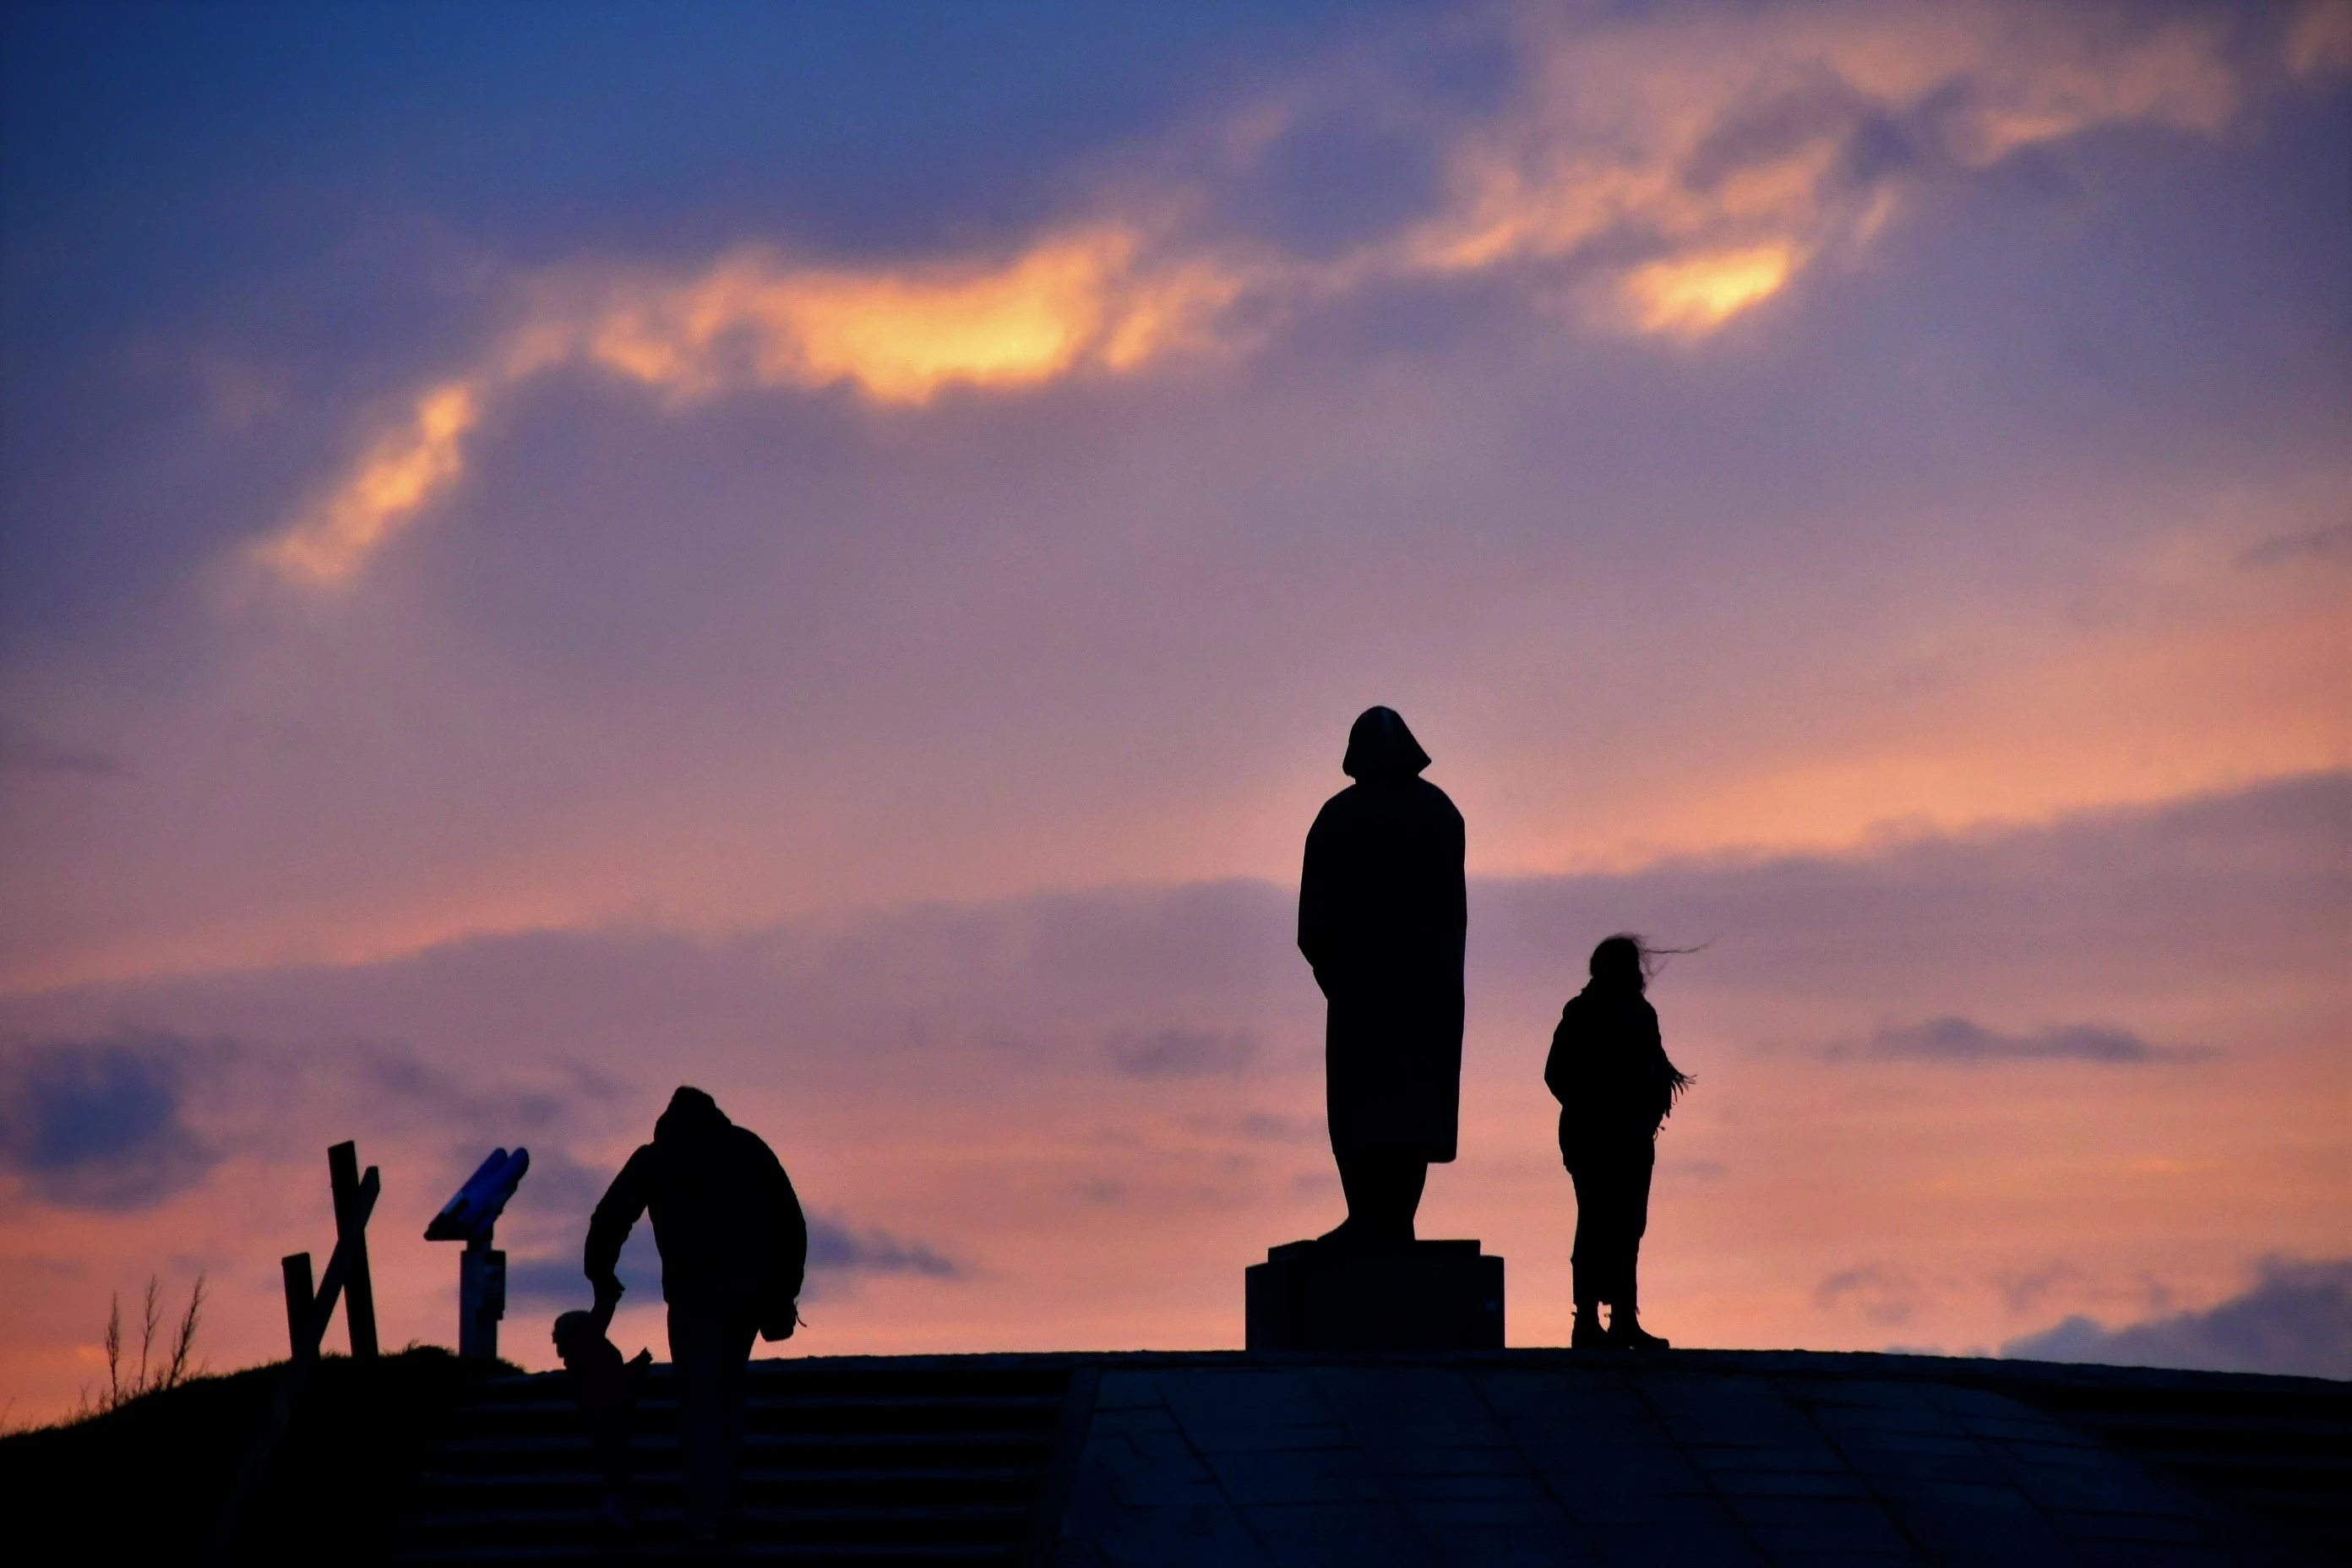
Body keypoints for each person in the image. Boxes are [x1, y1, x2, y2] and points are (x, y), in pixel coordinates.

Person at [585, 1086, 808, 1544]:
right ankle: (727, 1502)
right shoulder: (747, 1148)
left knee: (700, 1400)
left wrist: (601, 1274)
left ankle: (706, 1513)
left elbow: (609, 1219)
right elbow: (790, 1222)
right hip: (748, 1293)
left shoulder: (657, 1157)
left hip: (692, 1295)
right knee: (728, 1392)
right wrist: (783, 1292)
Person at [1298, 706, 1467, 1246]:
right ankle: (1392, 1220)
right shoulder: (1441, 813)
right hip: (1425, 994)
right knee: (1411, 1105)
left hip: (1367, 994)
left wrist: (1341, 978)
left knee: (1363, 1104)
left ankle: (1372, 1218)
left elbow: (1313, 925)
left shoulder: (1340, 817)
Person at [1544, 934, 1691, 1349]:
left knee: (1626, 1225)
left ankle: (1622, 1320)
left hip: (1628, 1137)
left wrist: (1644, 1115)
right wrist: (1595, 1107)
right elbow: (1557, 1074)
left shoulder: (1639, 1014)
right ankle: (1589, 1321)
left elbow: (1656, 1071)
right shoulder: (1583, 1013)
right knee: (1598, 1222)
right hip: (1594, 1139)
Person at [551, 1299, 652, 1528]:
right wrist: (639, 1365)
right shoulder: (591, 1356)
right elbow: (614, 1380)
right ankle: (615, 1502)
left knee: (617, 1457)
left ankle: (619, 1499)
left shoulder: (585, 1359)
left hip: (607, 1413)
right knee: (616, 1458)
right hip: (608, 1414)